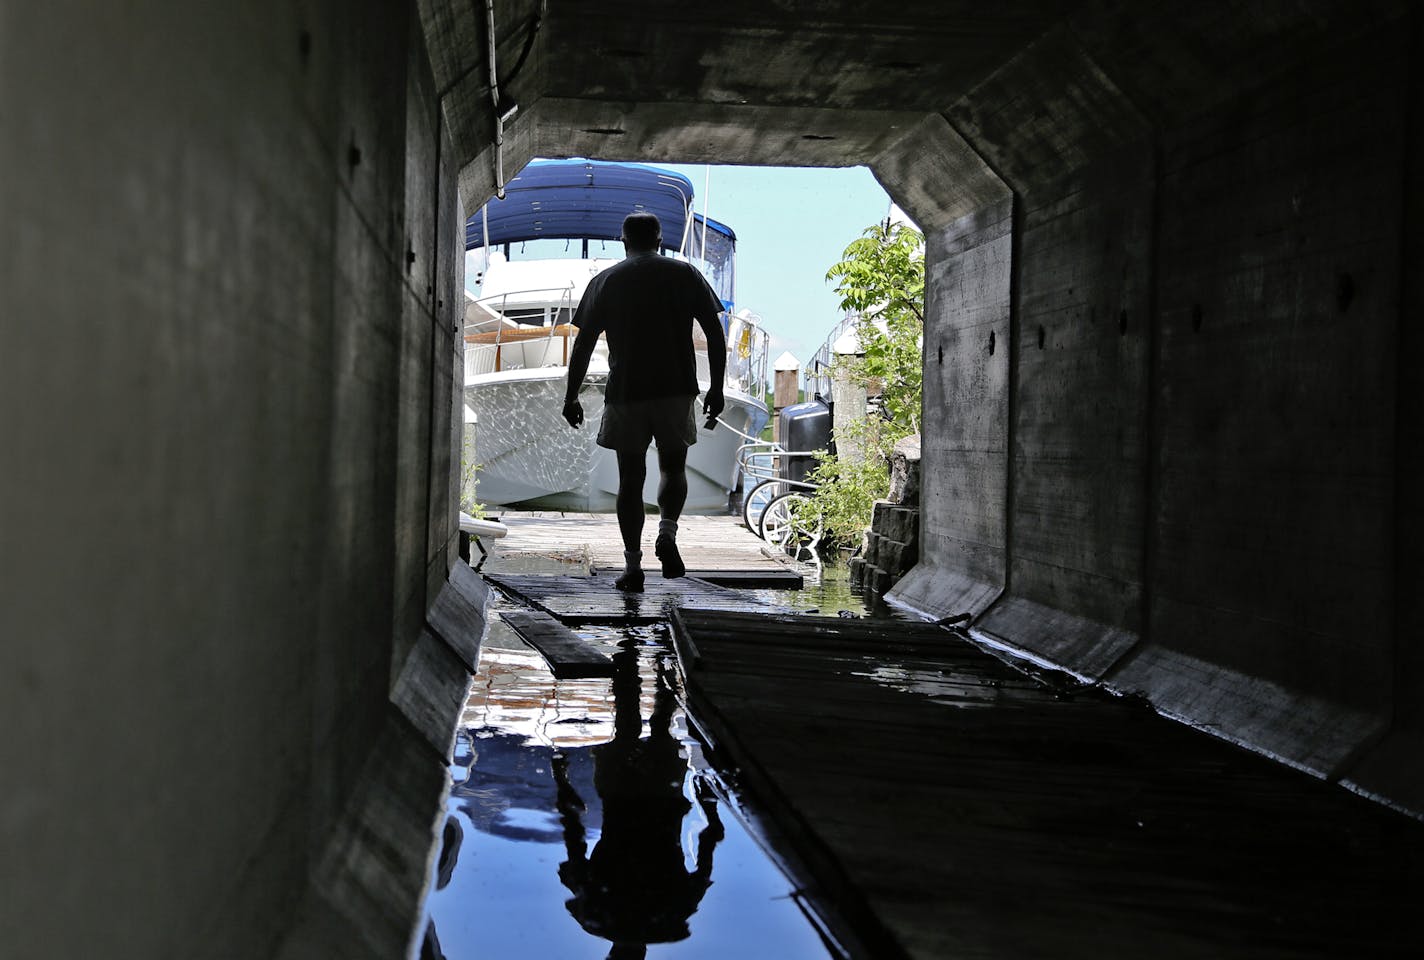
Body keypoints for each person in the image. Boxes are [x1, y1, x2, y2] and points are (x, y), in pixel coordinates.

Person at [562, 211, 728, 592]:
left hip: (626, 392)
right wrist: (716, 387)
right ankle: (667, 533)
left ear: (624, 241)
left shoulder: (604, 282)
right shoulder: (684, 274)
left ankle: (633, 567)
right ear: (659, 240)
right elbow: (714, 333)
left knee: (629, 481)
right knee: (673, 467)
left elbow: (583, 345)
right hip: (676, 388)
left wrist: (572, 395)